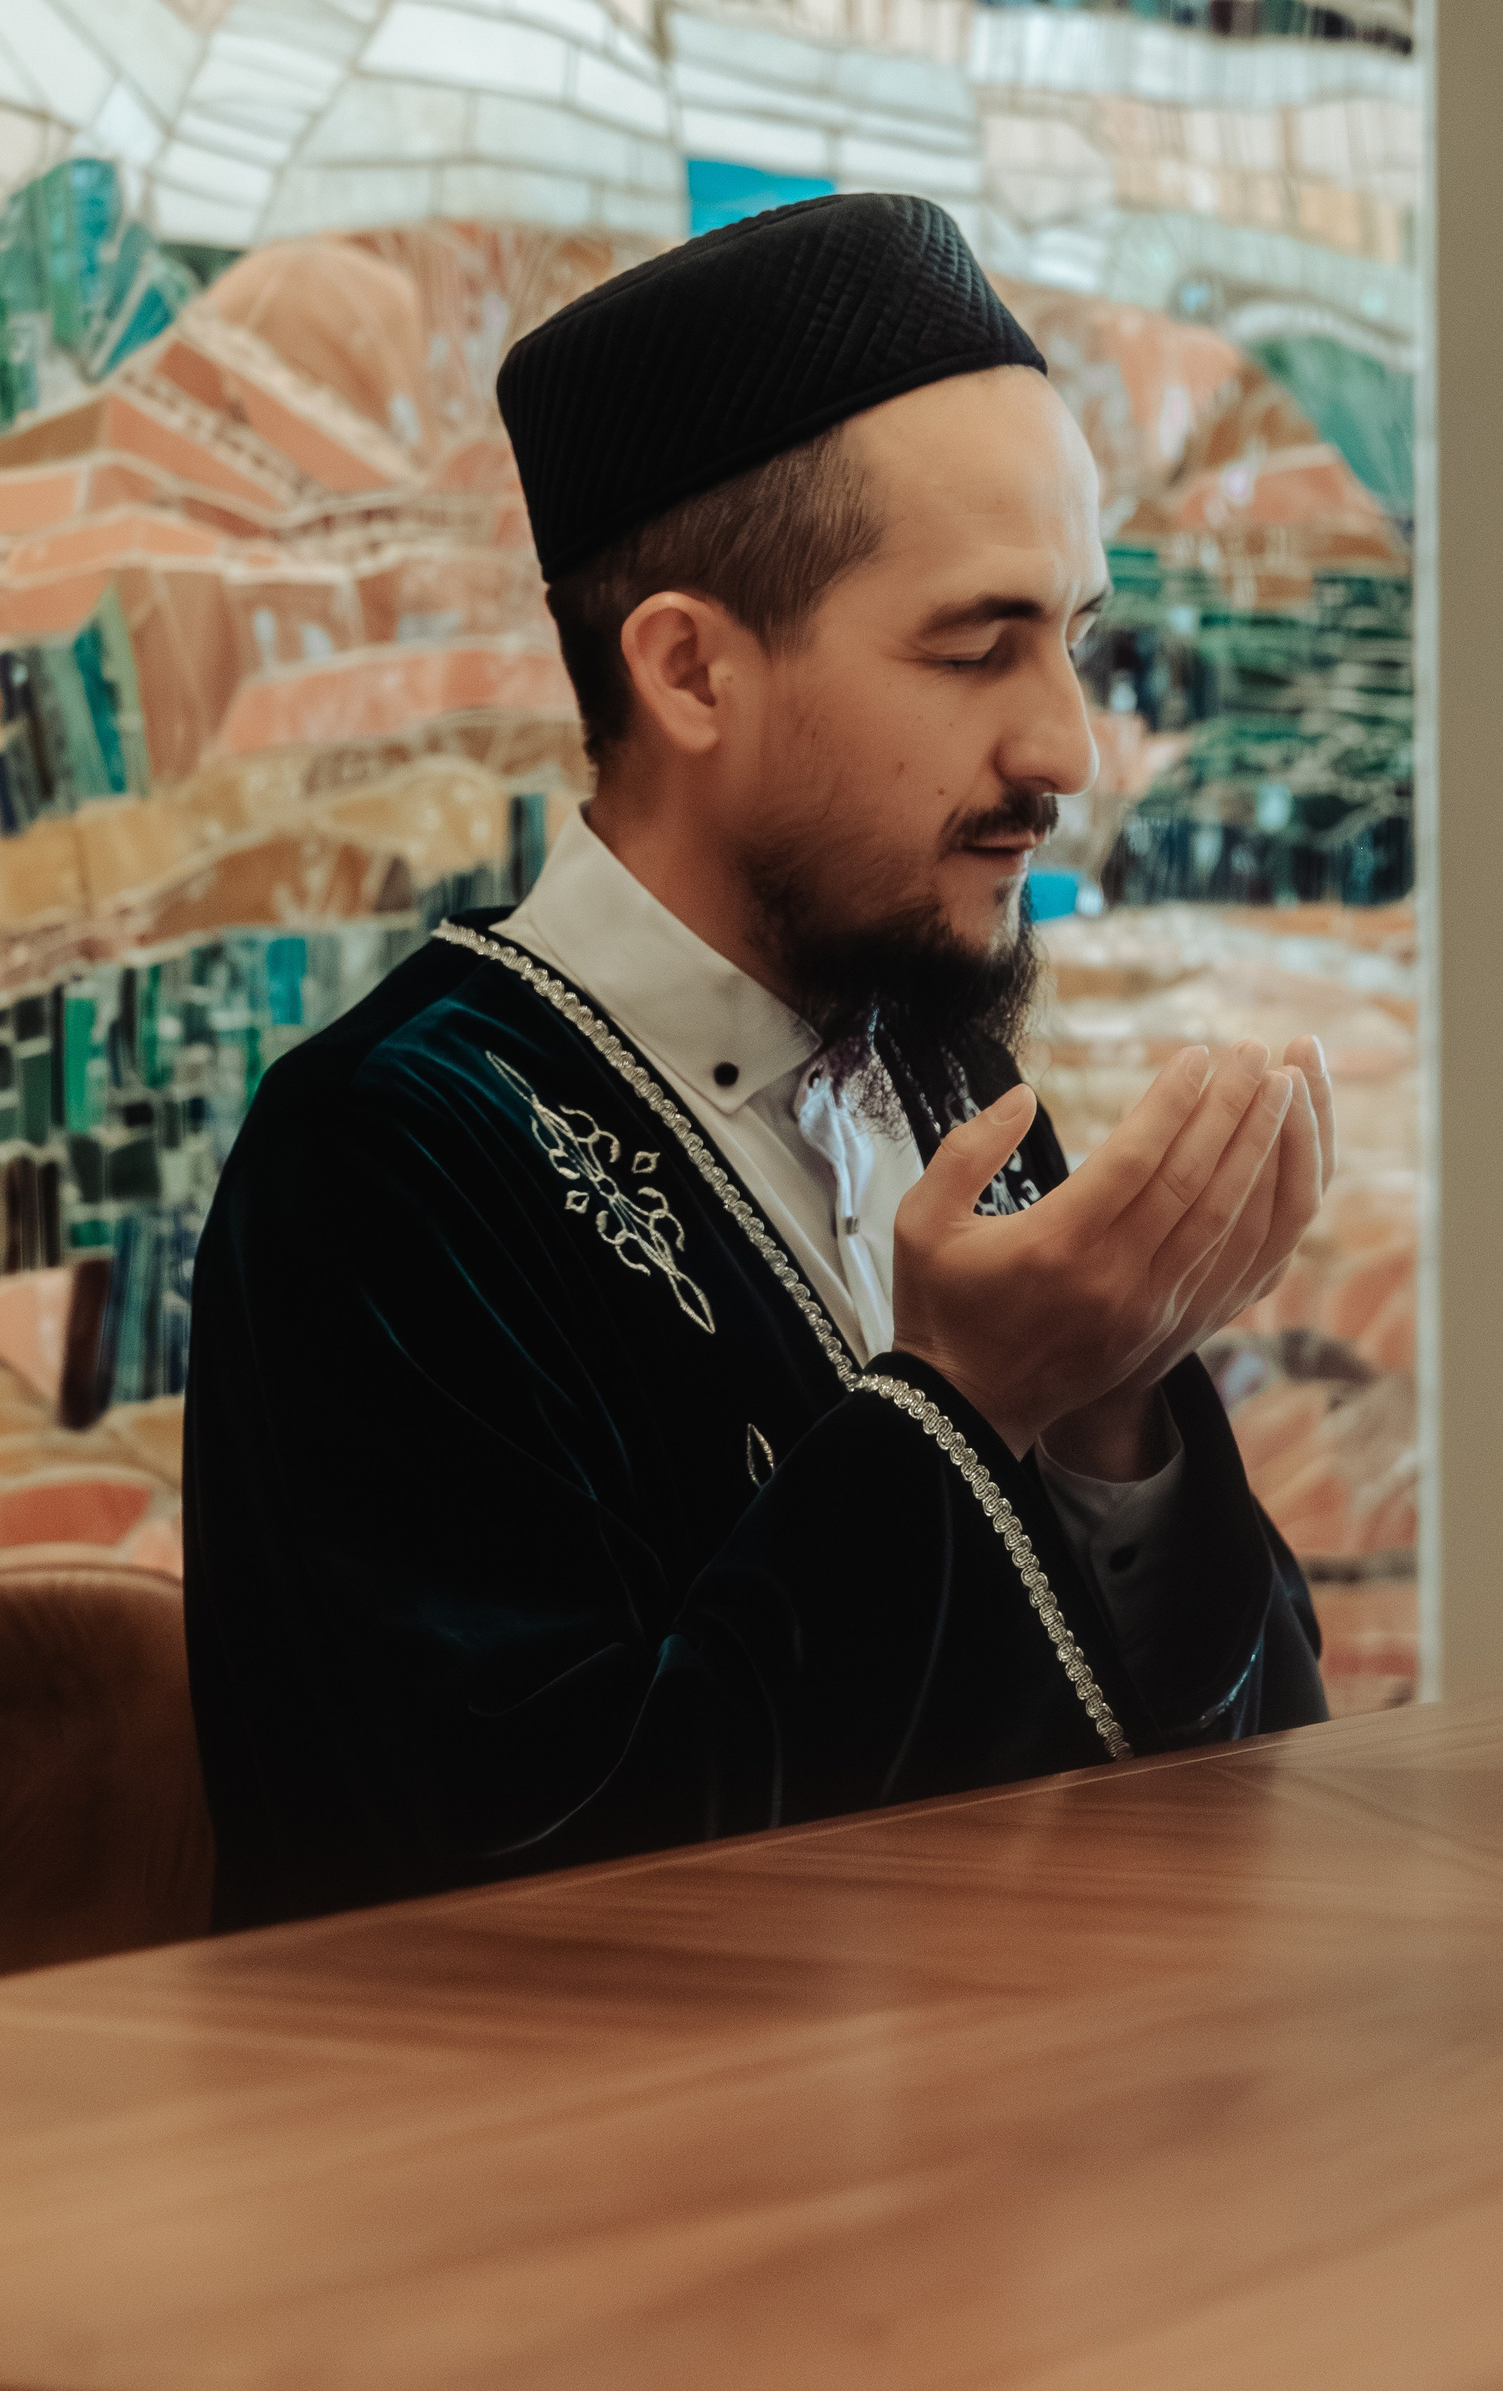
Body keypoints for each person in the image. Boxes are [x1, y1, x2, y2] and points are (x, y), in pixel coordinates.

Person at [183, 194, 1333, 1931]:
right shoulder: (385, 1160)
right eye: (978, 648)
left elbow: (1238, 1791)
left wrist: (1116, 1416)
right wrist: (964, 1405)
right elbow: (525, 1913)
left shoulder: (943, 1083)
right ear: (692, 671)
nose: (1068, 749)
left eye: (1077, 639)